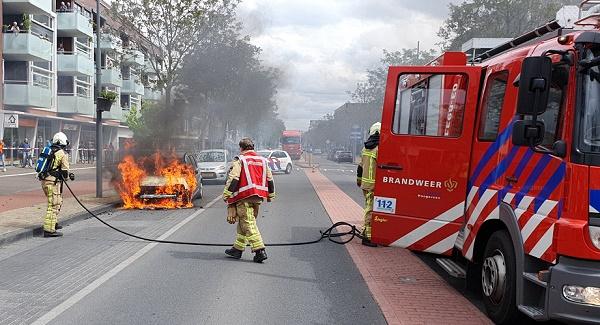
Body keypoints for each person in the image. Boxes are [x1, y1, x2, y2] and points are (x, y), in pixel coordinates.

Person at [223, 138, 276, 263]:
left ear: (241, 148)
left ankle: (259, 251)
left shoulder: (240, 160)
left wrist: (226, 194)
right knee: (244, 223)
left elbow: (234, 179)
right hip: (258, 198)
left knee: (248, 224)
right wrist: (271, 195)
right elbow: (270, 179)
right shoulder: (263, 160)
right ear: (253, 147)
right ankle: (237, 249)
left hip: (244, 197)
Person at [40, 132, 74, 237]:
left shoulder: (49, 150)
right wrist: (69, 177)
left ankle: (53, 223)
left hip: (45, 181)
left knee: (57, 201)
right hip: (52, 183)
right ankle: (49, 230)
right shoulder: (62, 153)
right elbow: (65, 171)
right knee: (53, 204)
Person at [356, 122, 381, 247]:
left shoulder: (365, 148)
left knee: (368, 208)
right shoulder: (379, 149)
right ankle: (367, 237)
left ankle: (369, 232)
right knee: (370, 210)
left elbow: (360, 167)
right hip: (374, 185)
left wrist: (359, 180)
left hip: (365, 184)